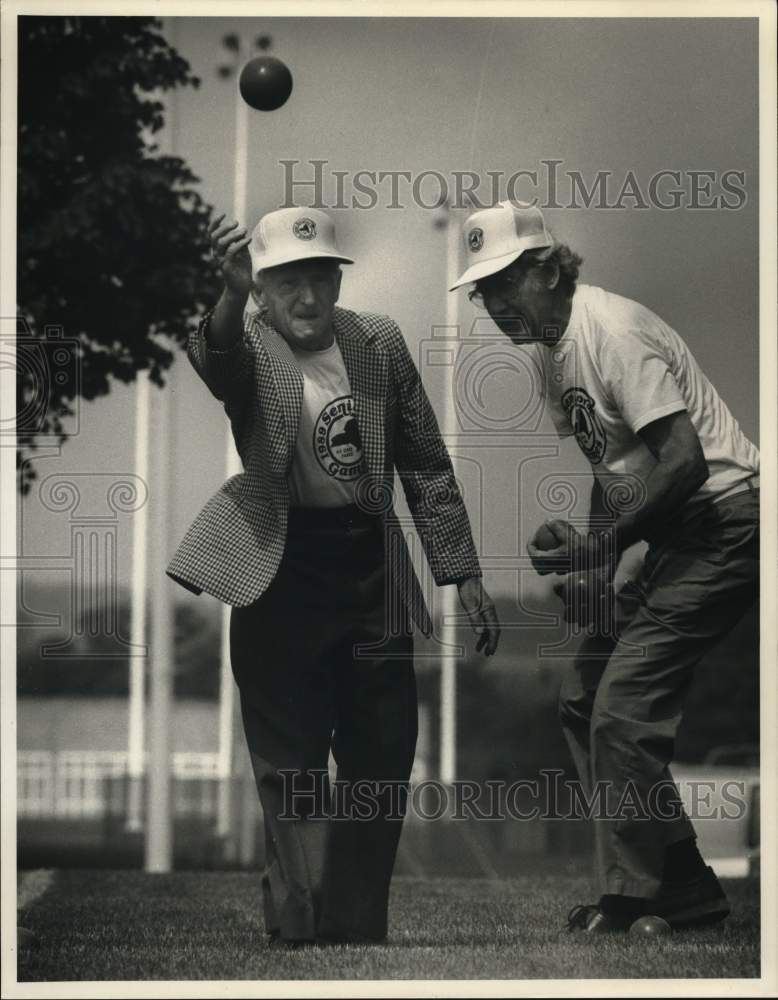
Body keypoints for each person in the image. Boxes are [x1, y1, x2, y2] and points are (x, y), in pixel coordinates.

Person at [167, 205, 500, 946]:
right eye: (287, 283)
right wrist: (226, 298)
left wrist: (463, 573)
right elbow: (214, 364)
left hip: (368, 565)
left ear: (338, 281)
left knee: (383, 750)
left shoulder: (377, 342)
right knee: (289, 761)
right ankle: (298, 918)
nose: (308, 299)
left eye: (320, 279)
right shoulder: (249, 346)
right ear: (263, 290)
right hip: (279, 564)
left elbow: (425, 461)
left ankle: (353, 927)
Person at [449, 200, 759, 932]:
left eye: (506, 281)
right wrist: (592, 570)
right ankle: (685, 884)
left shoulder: (610, 330)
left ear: (551, 269)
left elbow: (683, 462)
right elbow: (612, 469)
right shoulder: (549, 357)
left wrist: (605, 547)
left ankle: (630, 898)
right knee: (586, 700)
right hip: (676, 532)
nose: (494, 303)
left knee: (622, 710)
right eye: (482, 291)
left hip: (725, 521)